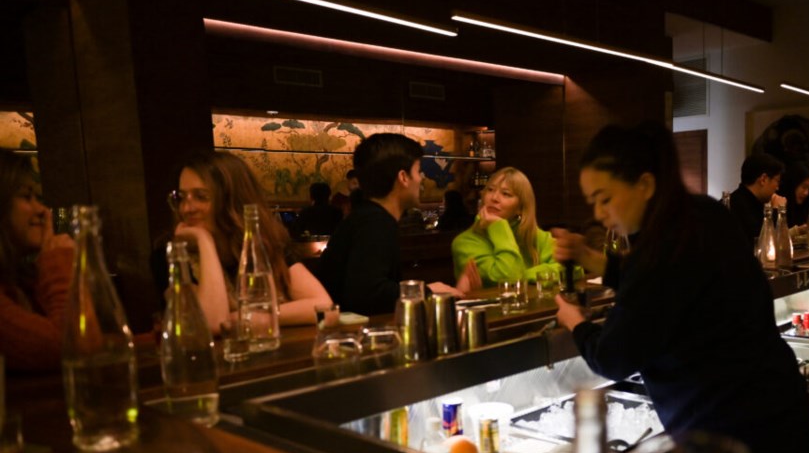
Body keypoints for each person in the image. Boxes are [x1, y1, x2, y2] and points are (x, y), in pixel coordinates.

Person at [553, 123, 809, 453]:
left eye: (604, 198)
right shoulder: (703, 214)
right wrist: (591, 257)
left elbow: (613, 357)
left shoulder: (659, 249)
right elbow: (664, 288)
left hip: (734, 438)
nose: (599, 213)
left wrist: (574, 322)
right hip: (779, 413)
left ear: (644, 184)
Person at [158, 150, 333, 332]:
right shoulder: (172, 255)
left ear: (231, 201)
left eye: (201, 197)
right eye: (181, 197)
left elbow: (323, 306)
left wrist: (252, 317)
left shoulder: (267, 245)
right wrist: (205, 242)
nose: (187, 208)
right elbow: (213, 322)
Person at [312, 133, 479, 315]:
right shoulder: (375, 223)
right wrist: (426, 290)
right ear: (403, 177)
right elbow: (367, 293)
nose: (421, 178)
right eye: (418, 171)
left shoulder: (365, 217)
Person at [0, 150, 76, 371]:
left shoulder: (21, 283)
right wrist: (58, 261)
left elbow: (92, 343)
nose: (42, 210)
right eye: (26, 196)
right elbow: (67, 347)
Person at [451, 167, 562, 286]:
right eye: (490, 189)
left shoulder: (536, 236)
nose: (494, 198)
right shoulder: (465, 243)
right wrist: (499, 228)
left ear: (520, 208)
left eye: (506, 194)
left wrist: (524, 275)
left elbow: (572, 268)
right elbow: (509, 279)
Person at [728, 153, 786, 248]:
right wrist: (776, 210)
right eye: (777, 181)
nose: (777, 188)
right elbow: (762, 244)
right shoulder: (737, 205)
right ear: (763, 179)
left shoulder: (752, 201)